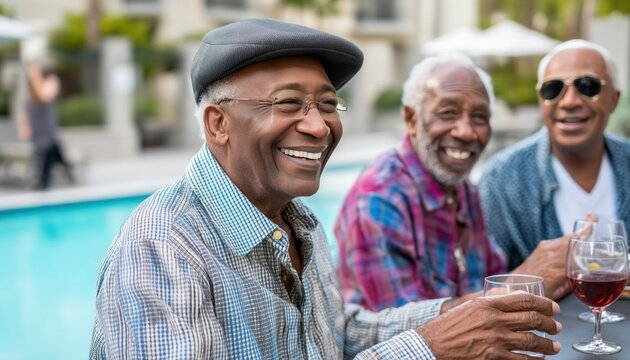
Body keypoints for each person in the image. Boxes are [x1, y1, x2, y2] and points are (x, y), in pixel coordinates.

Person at [90, 19, 562, 359]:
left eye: (329, 104)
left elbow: (336, 336)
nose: (318, 126)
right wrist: (429, 348)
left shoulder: (297, 221)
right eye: (289, 102)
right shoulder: (161, 249)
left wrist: (469, 312)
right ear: (219, 124)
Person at [335, 53, 571, 312]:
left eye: (480, 117)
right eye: (448, 113)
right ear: (412, 120)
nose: (466, 131)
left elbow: (490, 279)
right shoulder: (379, 200)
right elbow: (410, 333)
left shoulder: (464, 190)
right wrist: (526, 279)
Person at [478, 39, 630, 271]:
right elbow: (484, 284)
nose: (569, 101)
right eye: (553, 89)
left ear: (614, 100)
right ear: (541, 100)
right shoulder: (501, 179)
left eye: (588, 86)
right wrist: (531, 275)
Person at [20, 62, 74, 189]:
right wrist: (25, 126)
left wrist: (38, 77)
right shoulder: (31, 93)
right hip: (40, 136)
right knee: (53, 158)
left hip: (48, 136)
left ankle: (47, 181)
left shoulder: (47, 85)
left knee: (50, 158)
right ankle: (66, 176)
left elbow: (44, 96)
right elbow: (26, 112)